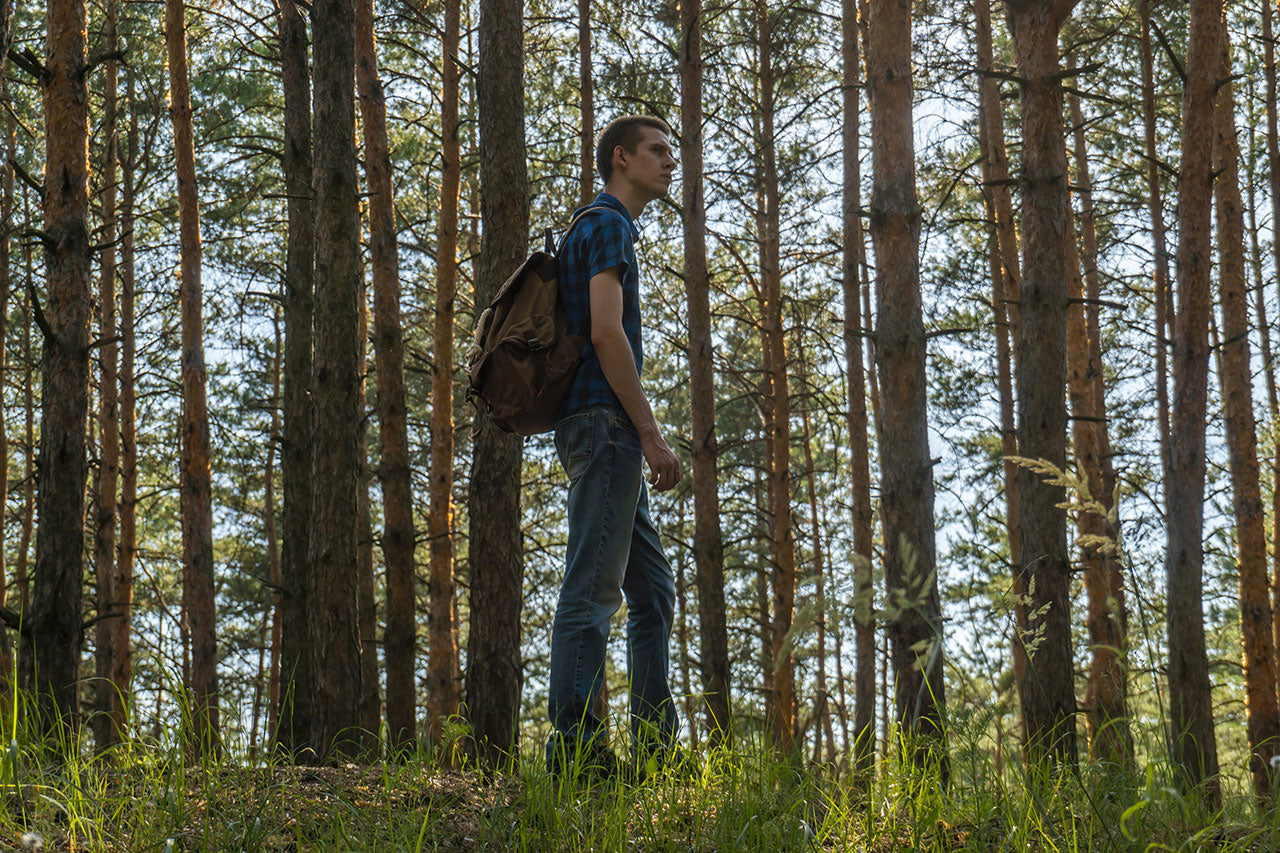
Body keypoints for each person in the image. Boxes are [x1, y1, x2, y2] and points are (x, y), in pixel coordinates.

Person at [546, 115, 682, 781]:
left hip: (603, 429)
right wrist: (650, 432)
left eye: (671, 152)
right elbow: (606, 332)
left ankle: (657, 750)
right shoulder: (606, 225)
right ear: (621, 159)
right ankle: (574, 754)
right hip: (606, 427)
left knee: (652, 592)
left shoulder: (602, 227)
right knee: (592, 588)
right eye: (657, 151)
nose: (669, 161)